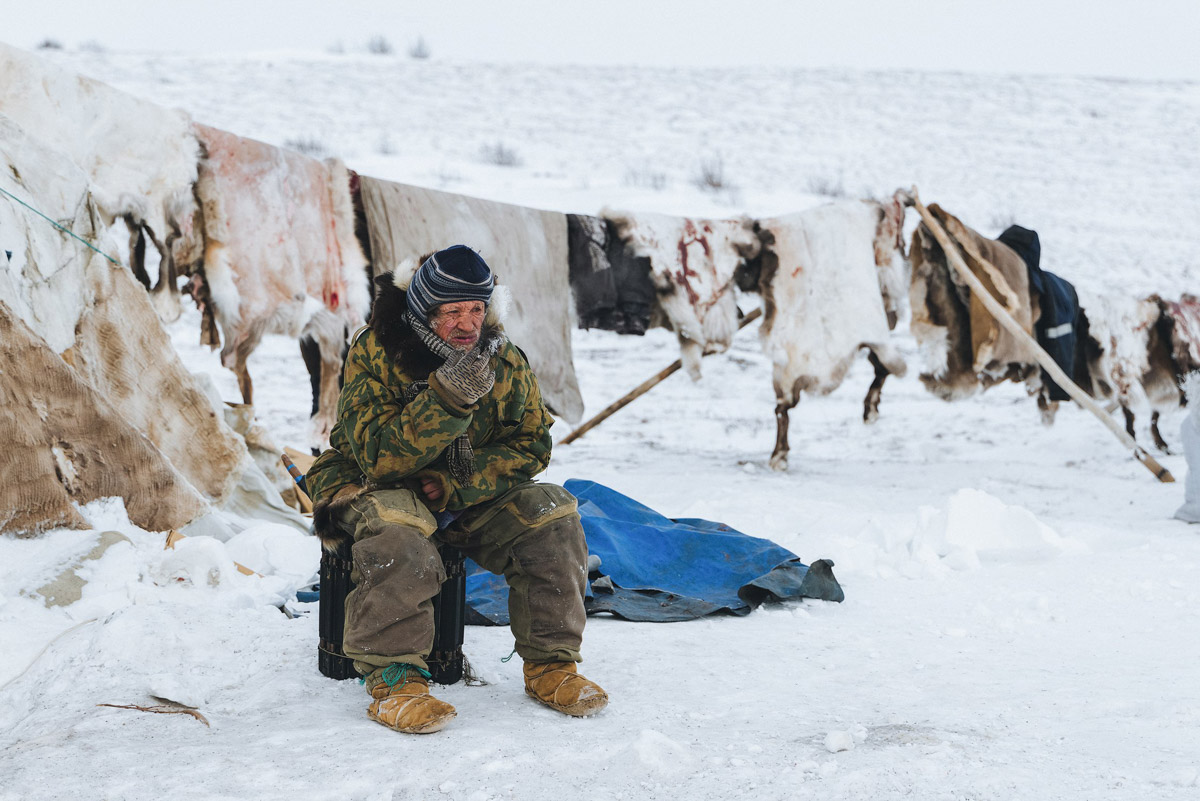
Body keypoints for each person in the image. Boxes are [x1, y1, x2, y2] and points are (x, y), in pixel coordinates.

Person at [306, 245, 607, 734]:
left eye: (476, 309)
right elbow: (376, 457)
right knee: (398, 532)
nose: (468, 324)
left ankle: (551, 666)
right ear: (425, 310)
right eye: (452, 312)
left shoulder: (503, 360)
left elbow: (532, 444)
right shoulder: (377, 350)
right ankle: (394, 679)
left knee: (552, 516)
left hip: (462, 491)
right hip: (372, 481)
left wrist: (457, 483)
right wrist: (446, 400)